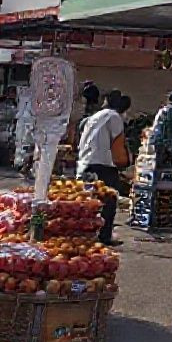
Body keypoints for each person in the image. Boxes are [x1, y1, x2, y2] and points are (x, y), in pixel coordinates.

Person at [77, 89, 131, 246]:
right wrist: (124, 163)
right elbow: (117, 144)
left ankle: (84, 235)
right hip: (103, 165)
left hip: (85, 163)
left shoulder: (94, 116)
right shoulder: (114, 117)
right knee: (108, 201)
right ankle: (104, 235)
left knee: (87, 200)